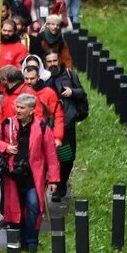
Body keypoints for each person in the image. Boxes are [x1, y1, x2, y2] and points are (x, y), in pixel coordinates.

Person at [0, 94, 61, 252]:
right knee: (15, 210)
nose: (18, 110)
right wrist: (6, 147)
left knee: (34, 206)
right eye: (17, 107)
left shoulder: (42, 128)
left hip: (32, 177)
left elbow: (51, 155)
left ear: (31, 110)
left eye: (22, 108)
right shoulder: (8, 124)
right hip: (13, 175)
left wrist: (54, 180)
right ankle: (19, 242)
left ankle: (32, 240)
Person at [44, 50, 87, 199]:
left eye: (54, 61)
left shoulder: (69, 75)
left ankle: (61, 184)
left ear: (59, 61)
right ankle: (53, 185)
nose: (52, 64)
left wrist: (72, 92)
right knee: (50, 156)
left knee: (67, 157)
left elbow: (82, 92)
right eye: (49, 62)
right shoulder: (43, 79)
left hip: (67, 124)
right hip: (48, 125)